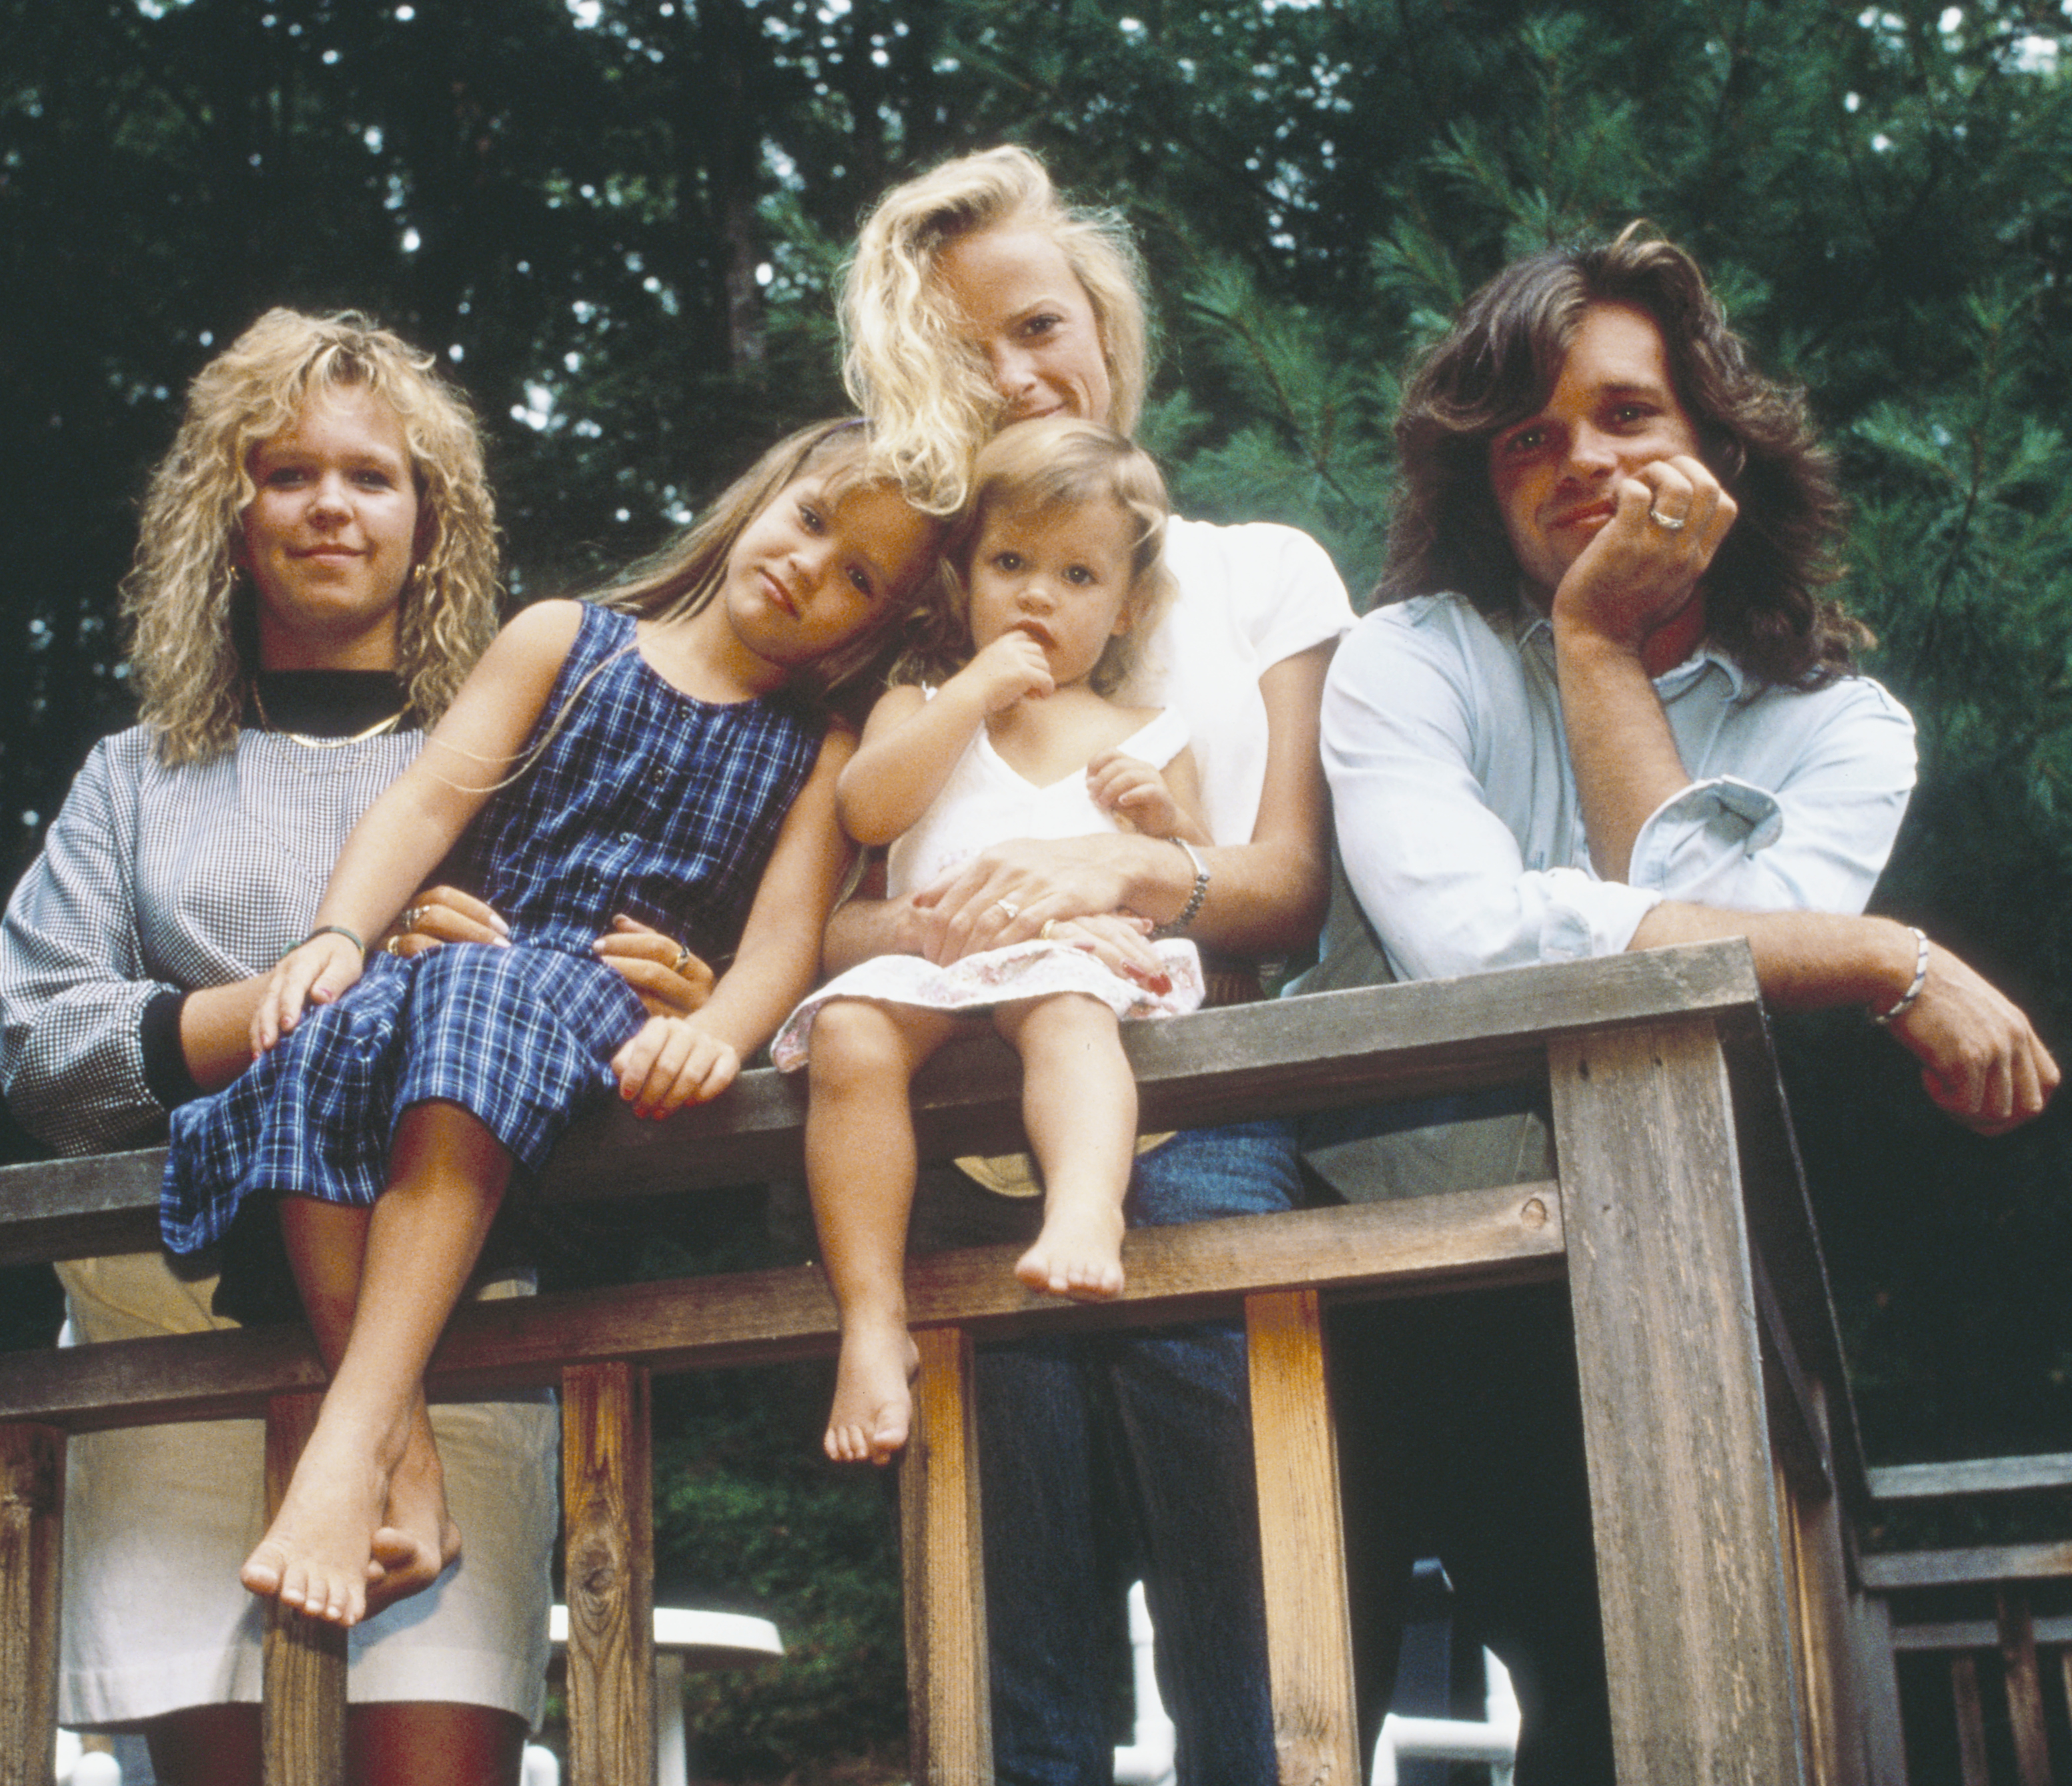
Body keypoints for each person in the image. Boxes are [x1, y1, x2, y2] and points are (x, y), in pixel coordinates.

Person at [1302, 225, 2061, 1777]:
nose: (1578, 459)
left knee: (1627, 1717)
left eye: (1627, 414)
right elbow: (1469, 949)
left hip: (1645, 1289)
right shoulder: (1406, 662)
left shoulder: (1840, 729)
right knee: (1298, 1705)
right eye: (1529, 435)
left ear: (1719, 442)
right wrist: (1874, 958)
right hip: (1353, 1267)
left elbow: (1711, 983)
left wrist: (1594, 648)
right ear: (1478, 476)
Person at [0, 309, 706, 1785]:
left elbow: (598, 1027)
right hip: (169, 1335)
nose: (332, 505)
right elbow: (47, 1052)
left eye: (374, 477)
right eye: (289, 473)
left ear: (430, 519)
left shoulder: (525, 758)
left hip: (465, 1327)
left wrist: (678, 995)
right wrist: (303, 1005)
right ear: (229, 517)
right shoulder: (132, 780)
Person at [163, 417, 944, 1628]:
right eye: (811, 519)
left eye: (859, 578)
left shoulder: (816, 747)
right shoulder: (565, 639)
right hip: (463, 965)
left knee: (479, 996)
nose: (809, 565)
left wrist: (720, 1031)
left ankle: (345, 1438)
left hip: (596, 995)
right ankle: (400, 1459)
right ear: (762, 495)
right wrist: (336, 937)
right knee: (320, 1034)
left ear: (877, 628)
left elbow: (785, 943)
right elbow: (427, 798)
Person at [831, 144, 1354, 1783]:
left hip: (1198, 1108)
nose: (1015, 372)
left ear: (1110, 328)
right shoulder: (921, 625)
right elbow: (825, 912)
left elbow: (1284, 892)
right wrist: (961, 924)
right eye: (960, 351)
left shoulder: (1261, 572)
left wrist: (1121, 860)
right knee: (1011, 1649)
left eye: (1041, 323)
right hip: (953, 1131)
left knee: (1244, 1615)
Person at [772, 417, 1207, 1464]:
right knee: (848, 1041)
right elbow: (870, 813)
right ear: (960, 581)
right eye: (1009, 564)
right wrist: (967, 695)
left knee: (1064, 1013)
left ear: (1127, 605)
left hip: (1069, 960)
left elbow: (1195, 866)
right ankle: (871, 1320)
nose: (1037, 596)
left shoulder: (1142, 729)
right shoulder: (919, 703)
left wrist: (1155, 816)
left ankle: (1084, 1210)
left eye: (1076, 574)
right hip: (931, 959)